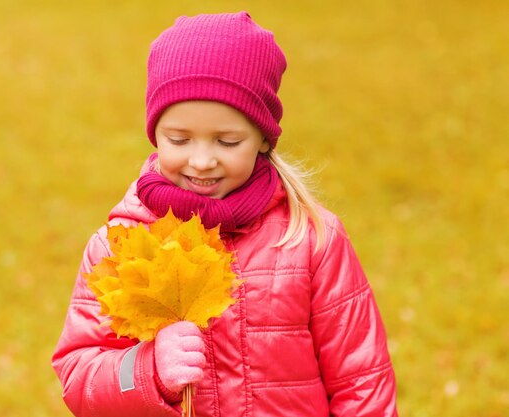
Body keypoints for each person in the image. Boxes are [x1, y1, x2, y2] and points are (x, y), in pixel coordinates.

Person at [52, 11, 398, 417]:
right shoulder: (121, 244)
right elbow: (79, 376)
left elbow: (362, 380)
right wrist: (149, 370)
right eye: (178, 139)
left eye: (227, 141)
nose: (201, 161)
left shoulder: (310, 239)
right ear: (155, 134)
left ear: (263, 139)